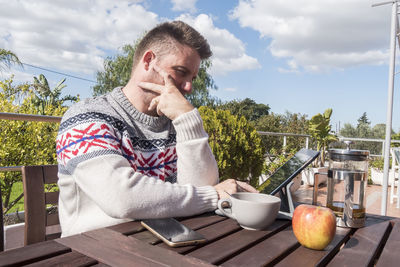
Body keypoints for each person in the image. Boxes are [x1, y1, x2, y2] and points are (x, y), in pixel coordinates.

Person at [56, 20, 257, 237]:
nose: (188, 87)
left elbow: (199, 192)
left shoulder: (175, 124)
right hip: (92, 250)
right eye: (181, 72)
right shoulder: (86, 116)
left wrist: (187, 119)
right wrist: (212, 196)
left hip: (164, 244)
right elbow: (122, 198)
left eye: (192, 78)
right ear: (149, 61)